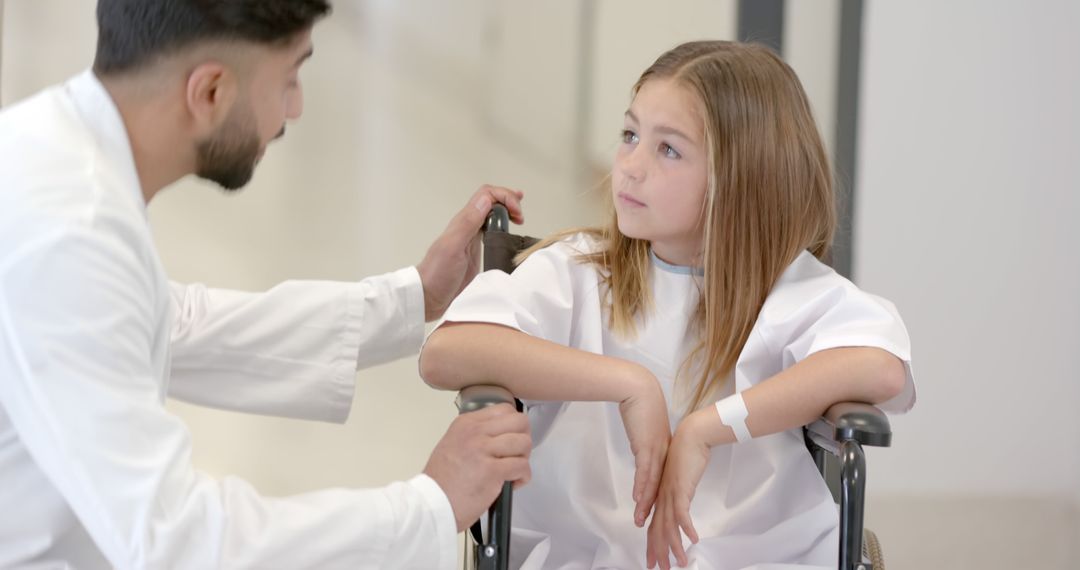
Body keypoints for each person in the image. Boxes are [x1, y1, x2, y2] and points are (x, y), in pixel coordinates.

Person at [0, 1, 532, 568]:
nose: (297, 107)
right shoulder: (69, 236)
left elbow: (171, 322)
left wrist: (416, 296)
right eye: (290, 77)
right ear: (210, 93)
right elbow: (176, 540)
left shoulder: (48, 148)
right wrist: (431, 503)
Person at [420, 40, 916, 570]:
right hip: (591, 552)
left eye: (668, 149)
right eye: (630, 135)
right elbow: (445, 352)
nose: (629, 167)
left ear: (741, 178)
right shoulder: (580, 271)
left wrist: (707, 429)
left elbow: (881, 369)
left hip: (759, 554)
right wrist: (630, 384)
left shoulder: (791, 292)